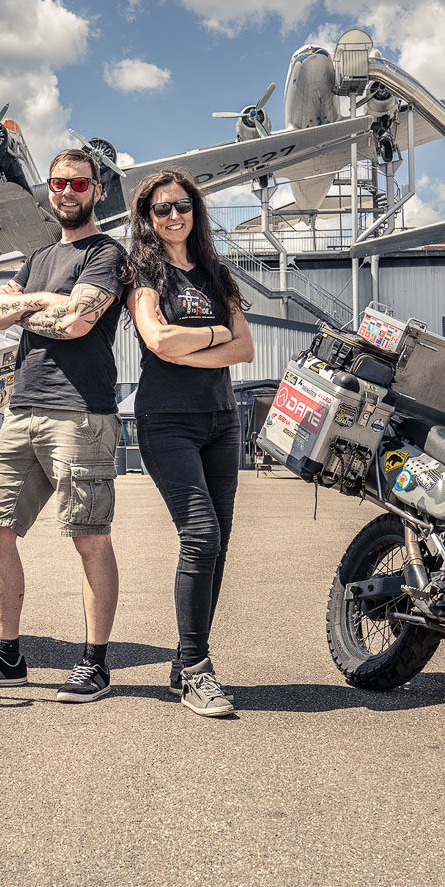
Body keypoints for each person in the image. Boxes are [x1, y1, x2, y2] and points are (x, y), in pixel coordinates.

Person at [0, 149, 127, 703]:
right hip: (22, 410)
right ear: (48, 189)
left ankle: (95, 662)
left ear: (96, 190)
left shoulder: (107, 254)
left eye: (78, 182)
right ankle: (8, 655)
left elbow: (76, 323)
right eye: (58, 183)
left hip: (80, 411)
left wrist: (30, 307)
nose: (67, 191)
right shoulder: (40, 255)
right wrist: (47, 301)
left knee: (89, 537)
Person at [123, 167, 254, 717]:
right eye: (161, 209)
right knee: (200, 532)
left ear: (195, 211)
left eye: (182, 205)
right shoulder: (143, 271)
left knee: (217, 539)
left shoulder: (216, 274)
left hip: (221, 421)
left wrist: (195, 343)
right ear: (148, 219)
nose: (173, 215)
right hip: (166, 421)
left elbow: (245, 348)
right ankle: (198, 670)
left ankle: (186, 658)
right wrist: (214, 334)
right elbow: (156, 340)